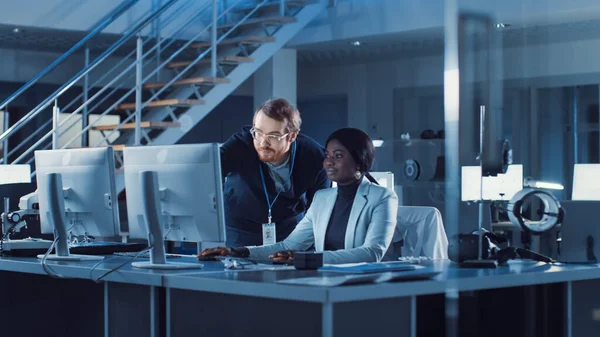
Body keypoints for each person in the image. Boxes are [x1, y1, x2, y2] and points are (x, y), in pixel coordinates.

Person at [200, 128, 399, 264]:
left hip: (360, 285)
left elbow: (372, 252)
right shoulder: (323, 198)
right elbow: (289, 245)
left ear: (360, 161)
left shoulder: (382, 197)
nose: (329, 162)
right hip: (323, 281)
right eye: (327, 155)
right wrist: (238, 252)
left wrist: (310, 259)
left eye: (338, 156)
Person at [219, 98, 330, 247]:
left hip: (289, 227)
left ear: (292, 136)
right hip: (240, 225)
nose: (263, 143)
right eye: (258, 133)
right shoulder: (240, 144)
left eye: (273, 136)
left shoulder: (315, 157)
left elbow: (319, 209)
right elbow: (210, 174)